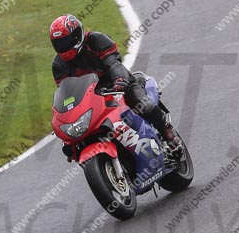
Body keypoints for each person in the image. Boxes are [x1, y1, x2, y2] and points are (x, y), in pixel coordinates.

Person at [49, 14, 183, 158]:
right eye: (59, 44)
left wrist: (119, 79)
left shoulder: (95, 41)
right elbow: (66, 90)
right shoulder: (58, 65)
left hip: (116, 84)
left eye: (66, 42)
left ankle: (166, 132)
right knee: (70, 144)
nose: (63, 47)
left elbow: (113, 63)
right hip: (90, 98)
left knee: (143, 104)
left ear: (77, 36)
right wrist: (63, 113)